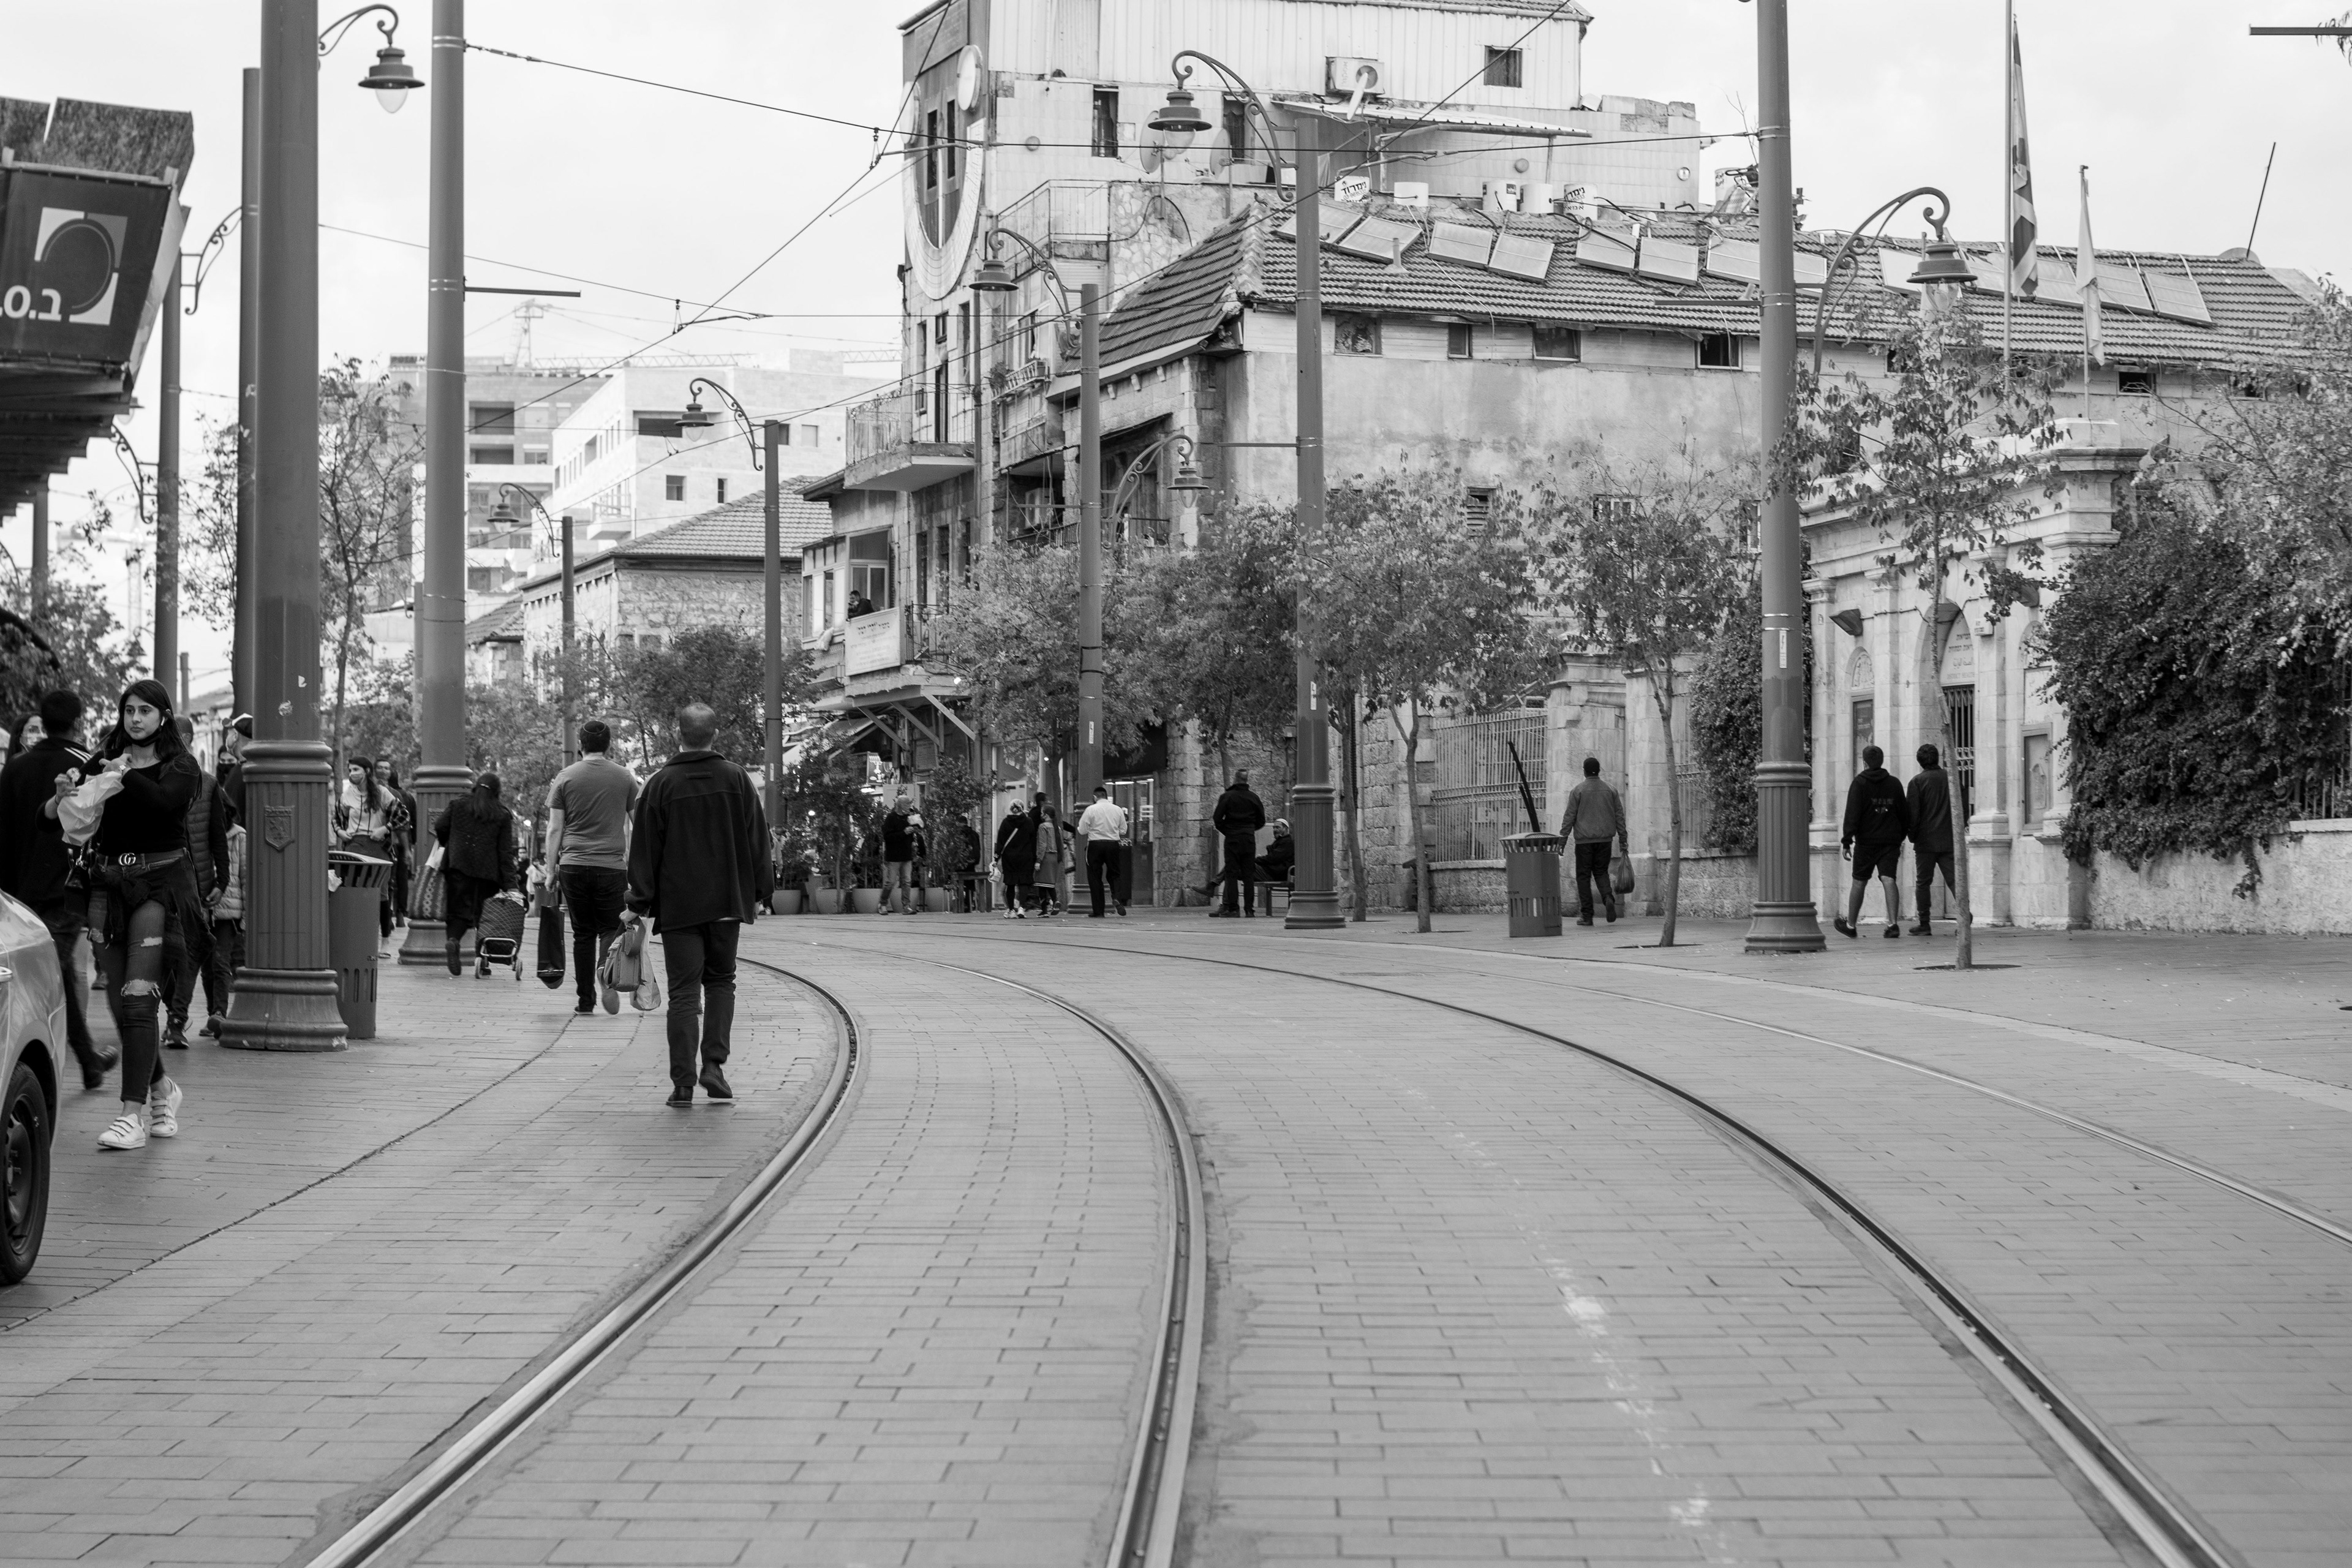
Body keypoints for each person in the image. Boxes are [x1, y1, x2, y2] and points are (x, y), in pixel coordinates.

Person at [55, 679, 202, 1150]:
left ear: (163, 716)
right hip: (107, 887)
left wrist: (118, 771)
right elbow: (56, 820)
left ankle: (130, 1116)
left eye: (144, 711)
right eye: (129, 710)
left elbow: (162, 801)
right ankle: (162, 1089)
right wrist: (63, 795)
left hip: (159, 886)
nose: (135, 719)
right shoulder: (106, 759)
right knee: (121, 1007)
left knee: (139, 1000)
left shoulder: (182, 765)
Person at [627, 701, 773, 1108]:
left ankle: (683, 1085)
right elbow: (758, 840)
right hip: (727, 903)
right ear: (715, 735)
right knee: (722, 981)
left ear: (679, 735)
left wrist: (639, 901)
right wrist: (759, 893)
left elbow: (644, 851)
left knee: (684, 994)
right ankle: (714, 1066)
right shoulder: (738, 779)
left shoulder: (659, 785)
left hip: (679, 909)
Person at [0, 689, 115, 1089]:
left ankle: (90, 1062)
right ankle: (40, 1066)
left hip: (19, 896)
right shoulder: (86, 763)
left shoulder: (15, 769)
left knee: (58, 972)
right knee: (42, 976)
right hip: (67, 890)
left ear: (44, 723)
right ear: (78, 722)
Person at [545, 719, 639, 1015]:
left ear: (580, 746)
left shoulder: (565, 777)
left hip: (573, 865)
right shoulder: (625, 778)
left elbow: (555, 829)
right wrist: (639, 869)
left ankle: (585, 1001)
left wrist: (550, 870)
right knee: (610, 928)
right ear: (608, 745)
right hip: (611, 866)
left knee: (582, 933)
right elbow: (639, 825)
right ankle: (605, 970)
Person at [164, 715, 230, 1049]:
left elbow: (218, 835)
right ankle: (173, 1012)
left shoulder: (209, 784)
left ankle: (176, 1021)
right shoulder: (152, 778)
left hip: (197, 885)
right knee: (165, 956)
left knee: (190, 952)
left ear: (188, 739)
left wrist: (223, 879)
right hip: (159, 883)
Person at [432, 773, 520, 974]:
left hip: (458, 868)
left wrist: (450, 843)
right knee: (484, 917)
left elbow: (440, 826)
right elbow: (505, 853)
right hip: (487, 874)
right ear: (497, 792)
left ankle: (453, 941)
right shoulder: (501, 814)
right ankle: (483, 960)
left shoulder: (458, 805)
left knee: (457, 912)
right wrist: (511, 884)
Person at [1837, 744, 1912, 939]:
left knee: (1859, 881)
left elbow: (1852, 814)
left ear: (1865, 763)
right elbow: (1904, 814)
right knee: (1889, 878)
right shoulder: (1894, 784)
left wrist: (1847, 841)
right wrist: (1900, 836)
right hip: (1890, 841)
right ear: (1882, 761)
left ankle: (1851, 925)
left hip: (1866, 842)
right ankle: (1893, 924)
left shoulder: (1859, 783)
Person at [1559, 756, 1629, 926]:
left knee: (1583, 876)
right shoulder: (1611, 790)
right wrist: (1623, 839)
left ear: (1584, 772)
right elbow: (1619, 816)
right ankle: (1608, 897)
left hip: (1584, 843)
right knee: (1601, 872)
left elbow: (1569, 817)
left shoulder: (1578, 791)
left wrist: (1562, 840)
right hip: (1605, 841)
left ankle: (1587, 915)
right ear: (1599, 771)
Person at [198, 815, 246, 1039]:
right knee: (207, 967)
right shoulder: (202, 833)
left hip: (229, 910)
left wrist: (245, 916)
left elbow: (245, 876)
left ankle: (219, 1012)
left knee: (220, 961)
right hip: (204, 908)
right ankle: (213, 1016)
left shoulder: (239, 836)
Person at [1906, 742, 1957, 937]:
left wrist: (1913, 836)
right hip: (1949, 839)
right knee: (1955, 880)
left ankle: (1924, 922)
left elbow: (1913, 814)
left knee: (1923, 882)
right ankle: (1964, 914)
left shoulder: (1917, 782)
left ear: (1920, 762)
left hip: (1925, 842)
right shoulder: (1951, 778)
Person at [1210, 770, 1266, 918]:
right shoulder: (1254, 798)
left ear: (1235, 779)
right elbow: (1262, 820)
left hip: (1233, 839)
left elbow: (1217, 819)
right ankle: (1249, 910)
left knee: (1232, 874)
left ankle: (1234, 909)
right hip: (1249, 839)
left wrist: (1228, 831)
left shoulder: (1227, 797)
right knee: (1248, 875)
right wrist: (1250, 830)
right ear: (1247, 780)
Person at [1077, 784, 1130, 919]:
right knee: (1115, 874)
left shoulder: (1091, 809)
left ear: (1095, 797)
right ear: (1106, 796)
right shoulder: (1117, 809)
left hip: (1095, 844)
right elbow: (1123, 830)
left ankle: (1099, 911)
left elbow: (1082, 830)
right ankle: (1116, 897)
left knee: (1095, 877)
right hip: (1113, 844)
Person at [379, 759, 417, 927]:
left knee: (389, 879)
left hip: (389, 841)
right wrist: (410, 845)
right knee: (400, 878)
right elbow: (411, 822)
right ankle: (399, 913)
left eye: (386, 769)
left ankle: (388, 915)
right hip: (401, 841)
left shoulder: (391, 795)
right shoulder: (406, 796)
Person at [880, 790, 923, 914]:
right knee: (891, 882)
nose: (909, 806)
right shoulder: (891, 818)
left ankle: (906, 906)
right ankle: (883, 904)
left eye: (910, 804)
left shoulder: (909, 817)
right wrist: (904, 832)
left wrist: (917, 825)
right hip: (894, 856)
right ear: (899, 805)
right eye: (907, 804)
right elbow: (887, 837)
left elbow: (920, 827)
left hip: (906, 854)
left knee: (907, 881)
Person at [993, 798, 1037, 919]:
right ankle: (1022, 908)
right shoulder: (1029, 822)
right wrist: (1035, 858)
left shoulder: (1006, 822)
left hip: (1009, 858)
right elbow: (1033, 841)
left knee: (1010, 883)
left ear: (1011, 809)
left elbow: (1000, 842)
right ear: (1022, 808)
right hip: (1026, 857)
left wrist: (996, 858)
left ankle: (1012, 910)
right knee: (1024, 883)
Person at [1031, 791, 1066, 917]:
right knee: (1050, 883)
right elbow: (1060, 845)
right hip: (1055, 857)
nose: (1041, 815)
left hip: (1045, 857)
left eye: (1042, 813)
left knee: (1041, 884)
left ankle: (1044, 910)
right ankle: (1055, 901)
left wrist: (1038, 860)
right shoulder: (1058, 828)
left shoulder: (1043, 827)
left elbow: (1042, 845)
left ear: (1046, 815)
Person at [1254, 818, 1296, 915]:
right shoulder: (1281, 842)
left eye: (1278, 827)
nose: (1275, 830)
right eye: (1274, 828)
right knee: (1234, 867)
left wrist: (1256, 860)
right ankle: (1220, 882)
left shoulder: (1287, 842)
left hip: (1274, 874)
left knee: (1237, 866)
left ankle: (1228, 903)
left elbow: (1272, 859)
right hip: (1272, 873)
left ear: (1285, 829)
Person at [216, 714, 252, 825]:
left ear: (236, 736)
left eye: (229, 733)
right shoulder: (247, 769)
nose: (227, 738)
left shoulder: (238, 774)